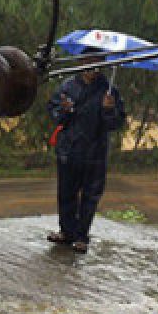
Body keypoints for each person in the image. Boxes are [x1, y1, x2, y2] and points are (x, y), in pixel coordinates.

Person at [45, 51, 126, 253]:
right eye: (88, 62)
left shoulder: (109, 91)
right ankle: (66, 231)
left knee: (90, 196)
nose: (92, 68)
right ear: (81, 63)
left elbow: (115, 123)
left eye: (97, 63)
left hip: (95, 152)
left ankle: (81, 236)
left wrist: (109, 109)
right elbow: (56, 116)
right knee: (66, 193)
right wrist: (64, 110)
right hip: (69, 149)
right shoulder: (67, 86)